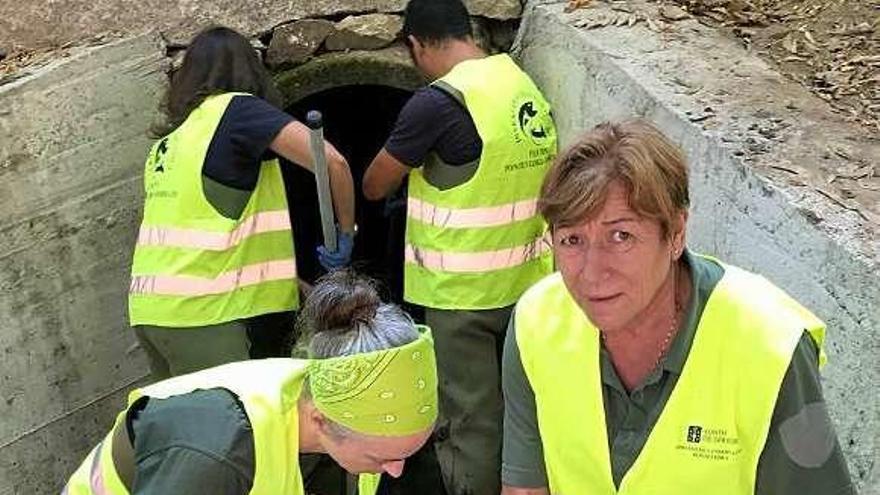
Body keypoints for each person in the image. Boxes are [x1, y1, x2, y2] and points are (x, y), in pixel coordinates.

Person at [501, 119, 856, 495]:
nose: (591, 273)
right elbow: (525, 488)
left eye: (621, 236)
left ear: (675, 234)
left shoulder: (771, 347)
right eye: (572, 240)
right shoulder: (536, 322)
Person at [361, 1, 558, 493]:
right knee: (525, 405)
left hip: (461, 296)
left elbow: (374, 185)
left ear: (416, 44)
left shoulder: (437, 102)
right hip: (530, 284)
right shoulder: (518, 83)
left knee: (471, 417)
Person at [63, 270, 438, 495]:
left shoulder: (331, 400)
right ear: (321, 420)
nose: (396, 471)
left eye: (406, 454)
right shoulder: (214, 453)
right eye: (382, 458)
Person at [128, 27, 357, 378]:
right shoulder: (237, 109)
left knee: (187, 428)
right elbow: (331, 161)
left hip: (151, 316)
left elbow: (213, 243)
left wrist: (301, 289)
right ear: (250, 70)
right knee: (237, 426)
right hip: (206, 317)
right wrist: (346, 232)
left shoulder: (171, 142)